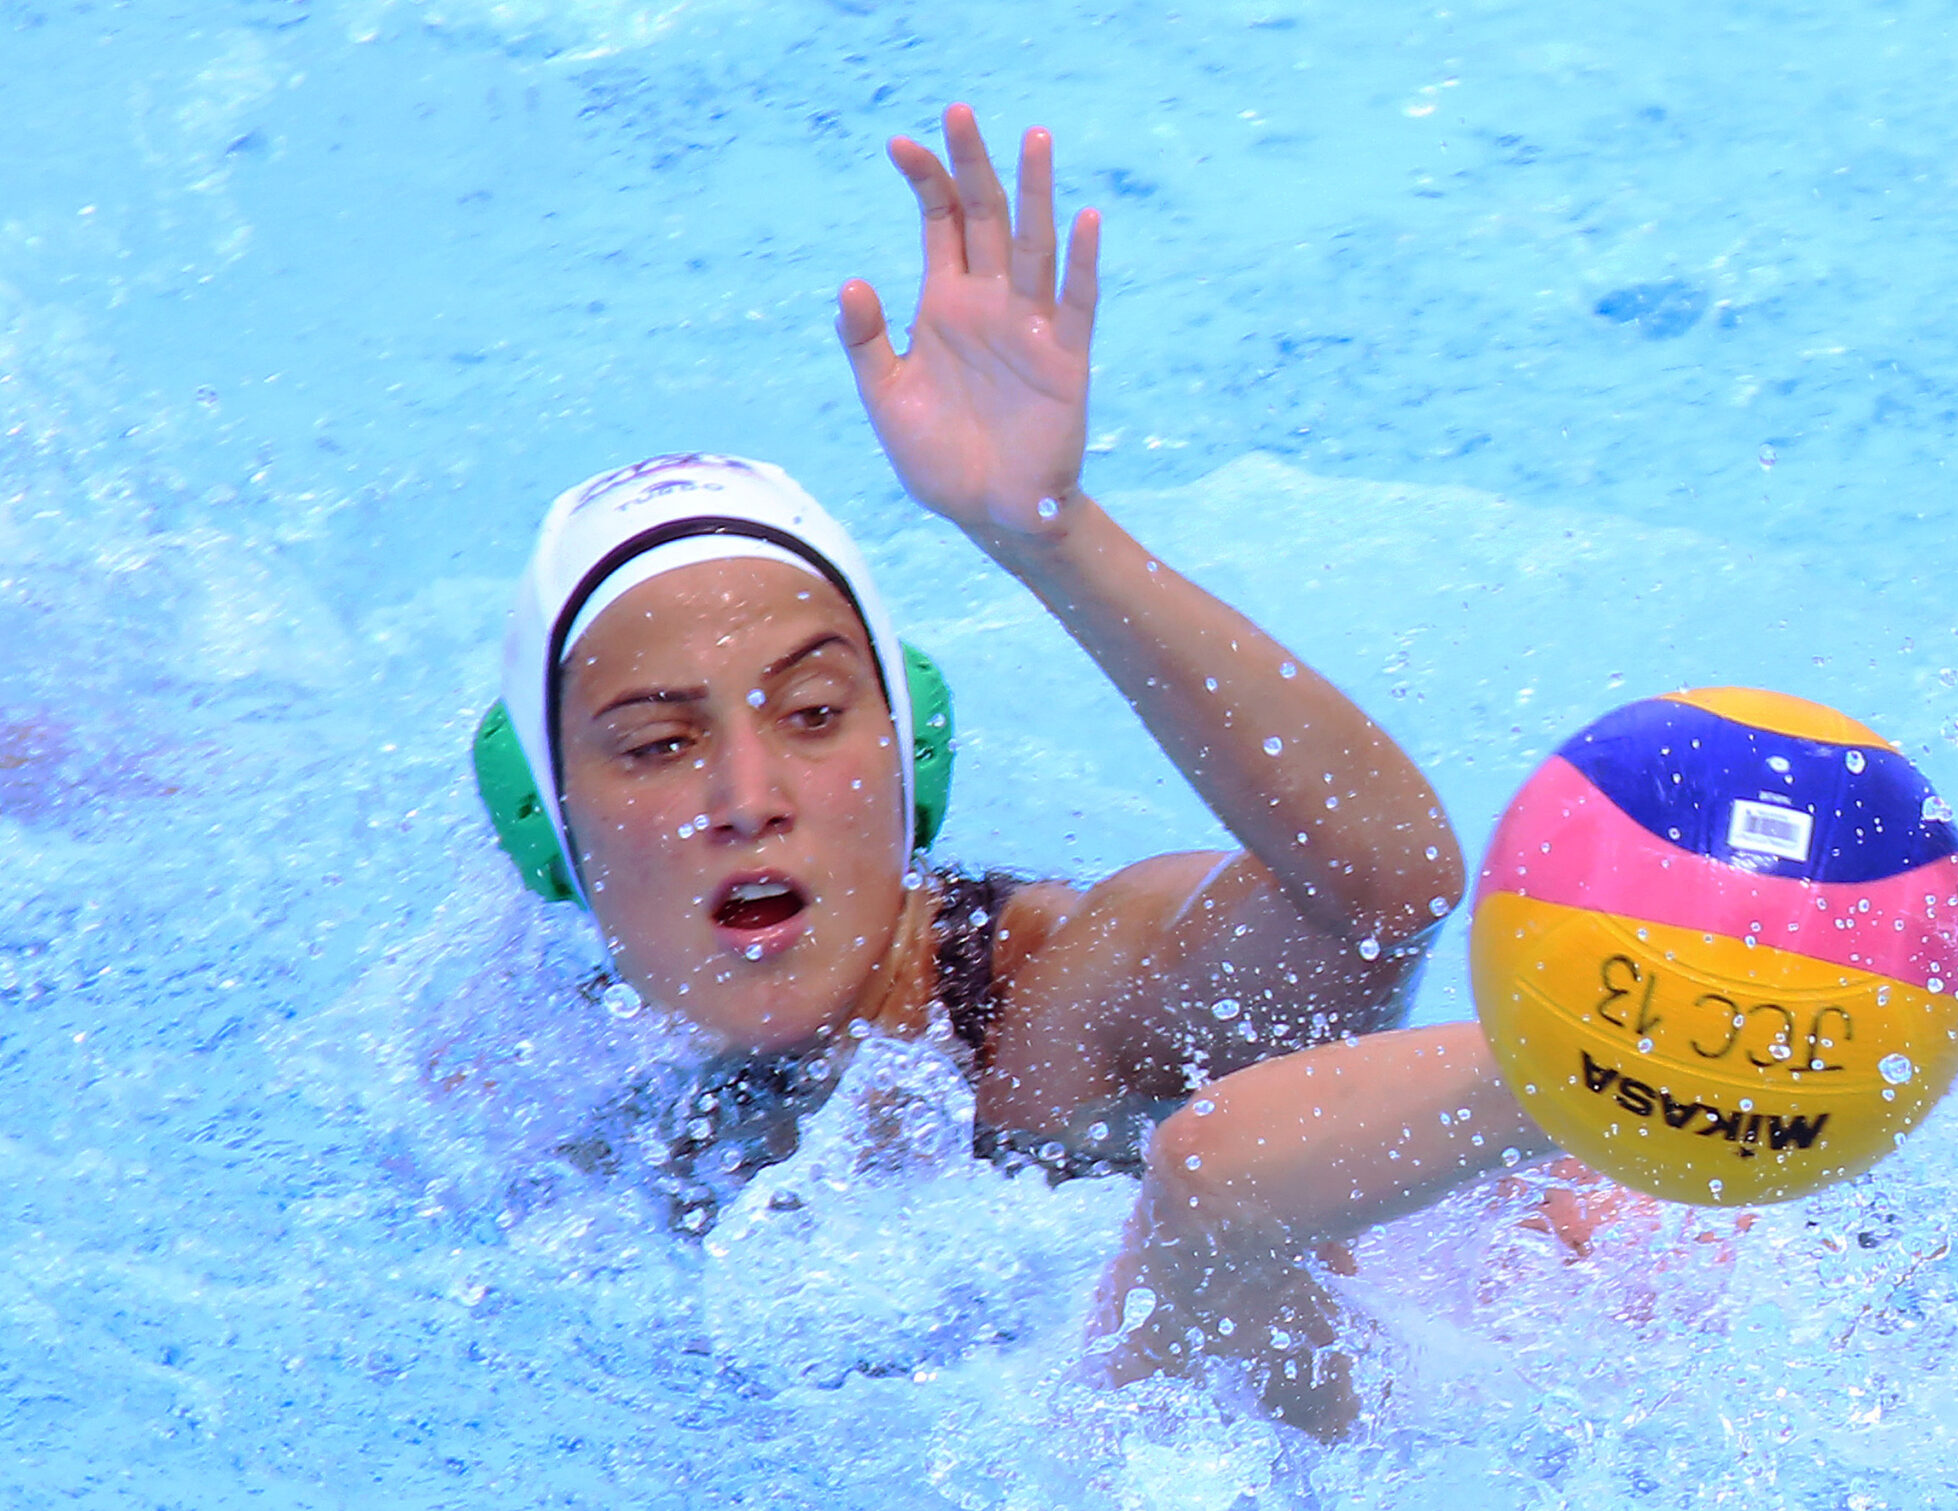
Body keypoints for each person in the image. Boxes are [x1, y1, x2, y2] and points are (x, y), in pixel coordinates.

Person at [481, 106, 1562, 1438]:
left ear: (908, 757)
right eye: (659, 745)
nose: (748, 792)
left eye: (816, 712)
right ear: (552, 832)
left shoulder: (1045, 1002)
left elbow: (1385, 889)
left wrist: (1050, 539)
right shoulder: (550, 1071)